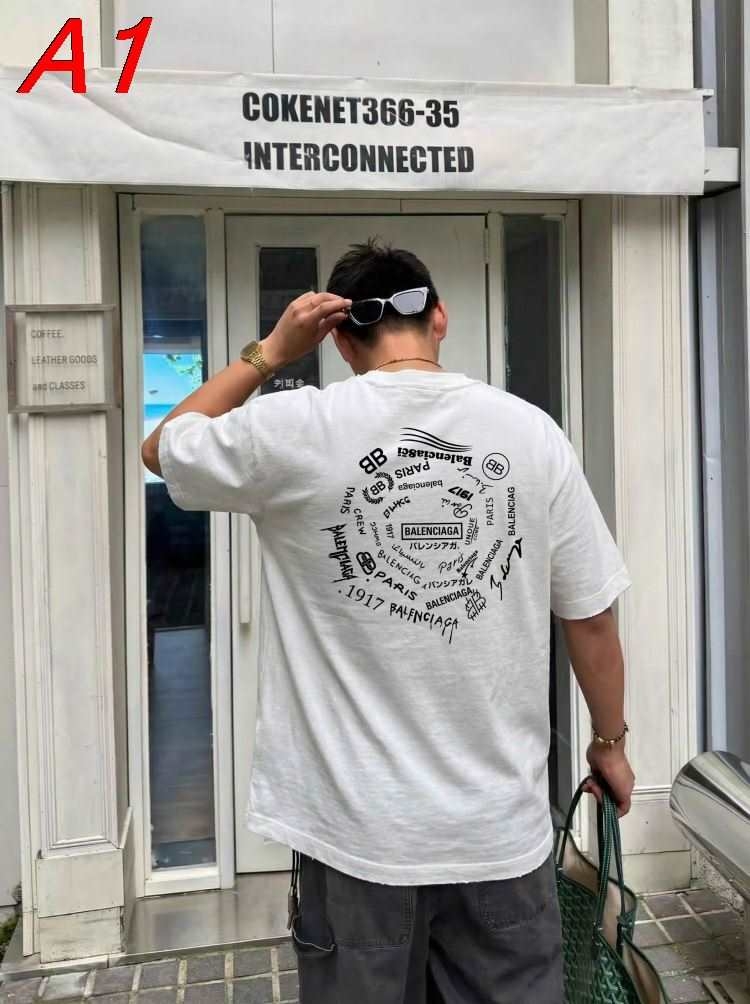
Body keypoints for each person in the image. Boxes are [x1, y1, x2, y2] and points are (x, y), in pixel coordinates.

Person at [141, 237, 635, 1004]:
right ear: (440, 318)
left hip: (356, 837)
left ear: (339, 341)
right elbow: (591, 615)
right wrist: (609, 744)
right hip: (498, 834)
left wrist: (270, 353)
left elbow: (161, 447)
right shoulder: (531, 434)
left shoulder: (294, 427)